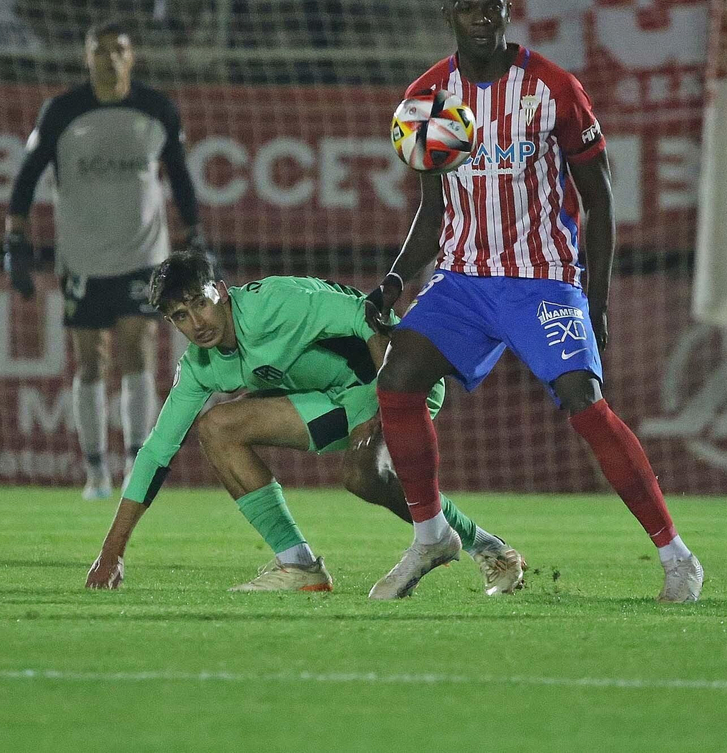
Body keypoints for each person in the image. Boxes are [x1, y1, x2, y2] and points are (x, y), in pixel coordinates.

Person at [363, 0, 703, 603]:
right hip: (462, 278)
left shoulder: (553, 87)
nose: (482, 16)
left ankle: (676, 555)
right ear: (449, 15)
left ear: (507, 8)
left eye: (492, 3)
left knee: (584, 399)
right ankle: (431, 533)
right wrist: (396, 281)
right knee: (398, 381)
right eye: (468, 6)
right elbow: (433, 211)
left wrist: (596, 300)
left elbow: (599, 200)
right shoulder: (427, 98)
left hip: (541, 276)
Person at [85, 251, 526, 595]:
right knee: (218, 428)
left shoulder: (273, 304)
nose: (197, 323)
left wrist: (384, 407)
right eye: (181, 315)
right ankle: (298, 564)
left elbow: (367, 317)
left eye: (201, 303)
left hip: (394, 376)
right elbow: (157, 452)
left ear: (221, 290)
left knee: (362, 475)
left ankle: (480, 545)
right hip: (333, 398)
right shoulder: (201, 366)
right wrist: (111, 554)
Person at [4, 23, 210, 500]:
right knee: (90, 359)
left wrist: (196, 234)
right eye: (100, 50)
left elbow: (179, 178)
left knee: (138, 349)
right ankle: (95, 472)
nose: (110, 60)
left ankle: (136, 465)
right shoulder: (62, 111)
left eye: (119, 50)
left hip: (143, 253)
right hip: (82, 256)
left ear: (132, 58)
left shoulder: (157, 110)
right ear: (86, 58)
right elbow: (27, 174)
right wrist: (13, 237)